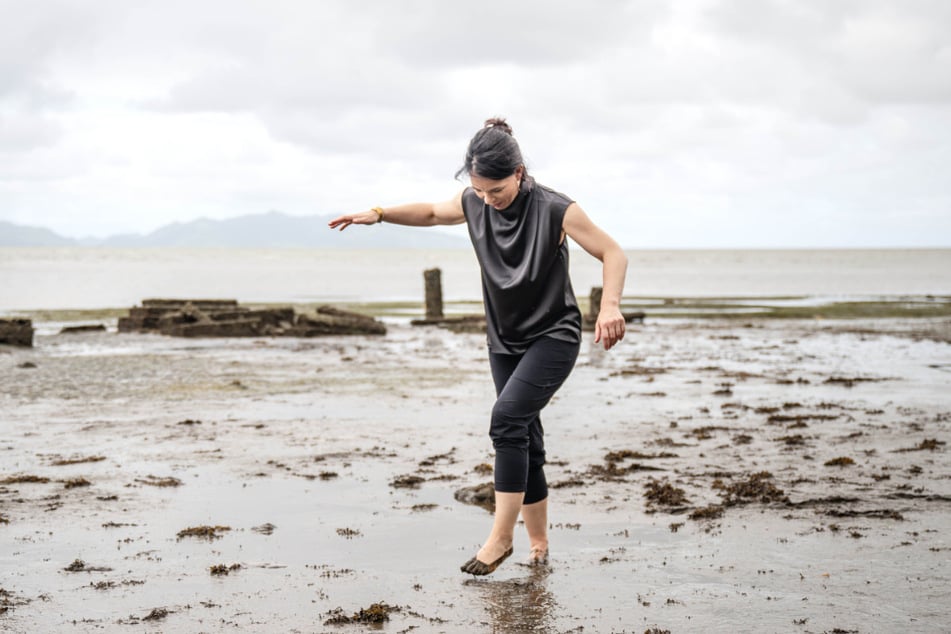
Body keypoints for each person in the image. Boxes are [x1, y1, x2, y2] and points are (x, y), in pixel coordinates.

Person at [328, 117, 628, 576]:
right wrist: (380, 213)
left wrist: (609, 306)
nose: (488, 200)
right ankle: (539, 543)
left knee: (506, 421)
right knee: (526, 434)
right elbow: (430, 213)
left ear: (520, 173)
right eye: (480, 191)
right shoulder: (474, 200)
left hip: (553, 336)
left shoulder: (556, 209)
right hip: (504, 340)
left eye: (497, 191)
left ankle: (501, 536)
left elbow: (613, 253)